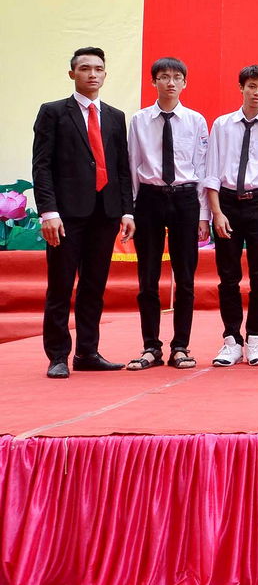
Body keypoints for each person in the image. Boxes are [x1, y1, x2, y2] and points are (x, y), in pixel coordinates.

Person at [32, 47, 135, 378]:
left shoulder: (115, 116)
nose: (93, 74)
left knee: (94, 285)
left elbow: (121, 168)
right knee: (61, 286)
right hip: (66, 216)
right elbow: (42, 166)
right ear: (72, 74)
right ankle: (58, 355)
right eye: (85, 68)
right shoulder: (53, 112)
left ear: (105, 74)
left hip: (105, 213)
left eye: (98, 69)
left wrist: (127, 211)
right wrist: (48, 211)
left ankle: (88, 352)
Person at [125, 57, 209, 371]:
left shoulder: (196, 121)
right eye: (163, 76)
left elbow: (202, 168)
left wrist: (203, 214)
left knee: (185, 277)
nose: (170, 82)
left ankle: (180, 346)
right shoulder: (139, 120)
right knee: (147, 277)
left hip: (185, 199)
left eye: (176, 77)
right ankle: (151, 347)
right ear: (154, 82)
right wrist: (130, 211)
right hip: (149, 199)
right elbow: (132, 164)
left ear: (185, 82)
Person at [203, 64, 258, 368]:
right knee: (228, 276)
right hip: (227, 203)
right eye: (252, 86)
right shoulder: (222, 125)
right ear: (241, 88)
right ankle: (231, 340)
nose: (257, 93)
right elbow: (212, 171)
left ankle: (256, 339)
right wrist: (216, 212)